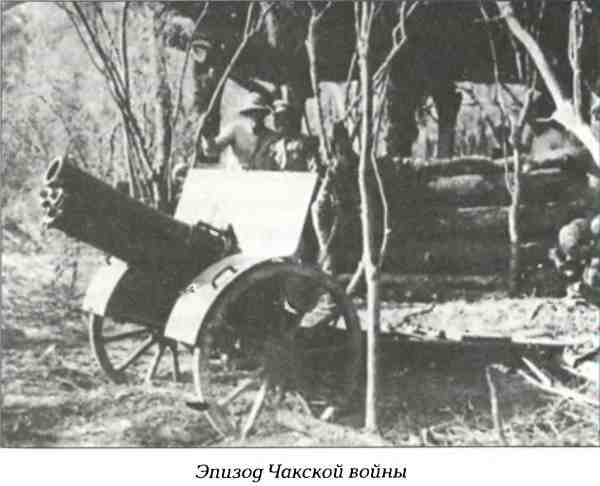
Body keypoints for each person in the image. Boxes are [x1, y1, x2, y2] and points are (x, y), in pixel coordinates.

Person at [200, 93, 280, 170]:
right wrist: (207, 136)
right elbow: (211, 151)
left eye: (258, 112)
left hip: (262, 177)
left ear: (264, 114)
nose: (255, 116)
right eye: (251, 112)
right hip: (236, 177)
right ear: (246, 114)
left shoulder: (272, 137)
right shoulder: (235, 129)